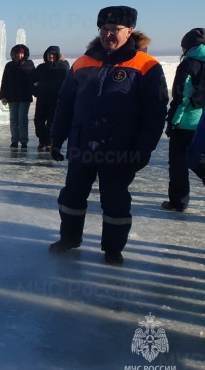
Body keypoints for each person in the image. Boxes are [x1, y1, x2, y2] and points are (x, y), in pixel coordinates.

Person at [48, 6, 168, 265]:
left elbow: (155, 115)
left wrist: (143, 149)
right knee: (71, 197)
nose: (108, 34)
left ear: (130, 31)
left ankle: (113, 248)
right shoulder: (82, 62)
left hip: (120, 150)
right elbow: (65, 103)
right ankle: (70, 237)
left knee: (115, 203)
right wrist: (56, 139)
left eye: (115, 30)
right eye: (104, 29)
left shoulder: (147, 66)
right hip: (82, 145)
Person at [162, 28, 205, 212]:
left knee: (178, 163)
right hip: (203, 125)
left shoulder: (188, 65)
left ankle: (178, 201)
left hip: (187, 123)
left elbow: (182, 98)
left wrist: (172, 122)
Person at [30, 46, 69, 152]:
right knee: (38, 122)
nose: (51, 56)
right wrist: (36, 92)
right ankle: (42, 140)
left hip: (55, 100)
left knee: (51, 123)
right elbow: (33, 81)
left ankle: (48, 142)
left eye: (53, 54)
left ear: (57, 56)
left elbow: (67, 84)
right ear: (46, 55)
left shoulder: (62, 68)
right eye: (49, 54)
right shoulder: (41, 68)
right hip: (42, 100)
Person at [0, 44, 35, 151]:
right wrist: (3, 96)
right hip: (12, 96)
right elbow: (4, 81)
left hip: (24, 96)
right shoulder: (9, 66)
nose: (19, 55)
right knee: (14, 119)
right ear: (14, 54)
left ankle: (24, 141)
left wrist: (36, 91)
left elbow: (34, 80)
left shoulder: (29, 64)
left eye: (21, 53)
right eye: (18, 53)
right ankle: (14, 140)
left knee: (22, 118)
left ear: (24, 54)